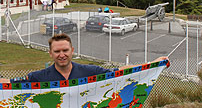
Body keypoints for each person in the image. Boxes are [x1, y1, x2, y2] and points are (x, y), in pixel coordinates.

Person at [26, 33, 168, 82]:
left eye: (65, 50)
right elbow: (10, 84)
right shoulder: (39, 77)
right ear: (50, 53)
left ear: (72, 51)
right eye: (57, 51)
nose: (61, 55)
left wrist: (152, 64)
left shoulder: (90, 71)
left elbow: (120, 71)